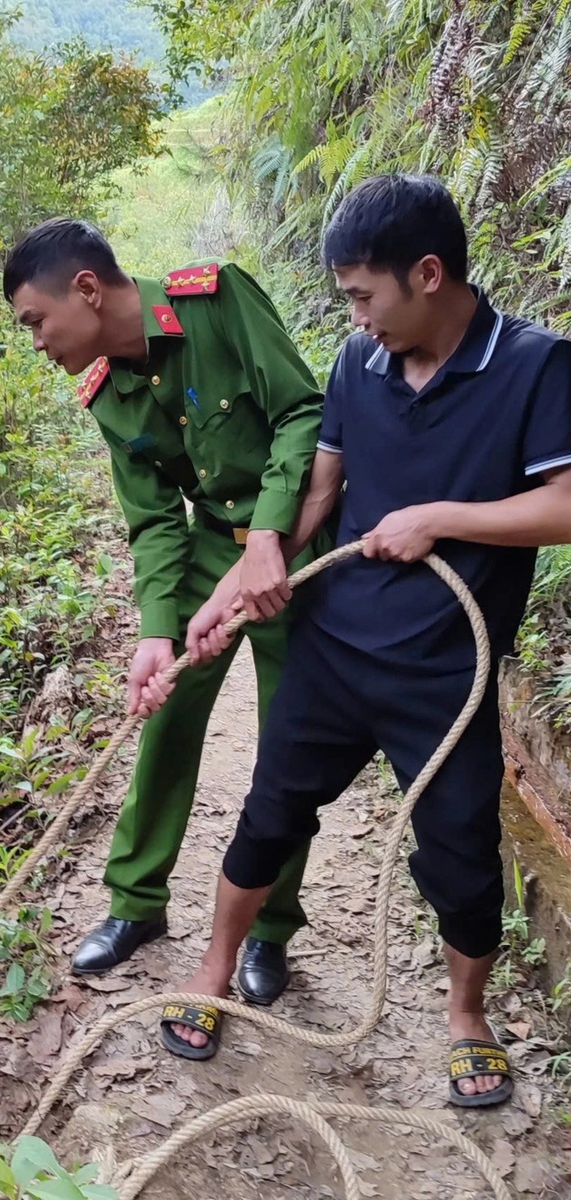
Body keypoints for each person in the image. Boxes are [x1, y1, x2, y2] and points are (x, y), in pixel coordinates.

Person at [158, 174, 571, 1108]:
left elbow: (564, 503)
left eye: (362, 295)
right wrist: (244, 576)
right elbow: (320, 492)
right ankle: (215, 970)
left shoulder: (537, 368)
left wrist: (437, 518)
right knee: (271, 811)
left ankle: (467, 1018)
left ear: (428, 273)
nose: (356, 315)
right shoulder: (357, 364)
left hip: (446, 672)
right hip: (336, 649)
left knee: (460, 854)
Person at [3, 219, 325, 1003]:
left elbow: (302, 413)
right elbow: (153, 519)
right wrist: (156, 631)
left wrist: (272, 536)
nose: (37, 342)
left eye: (36, 321)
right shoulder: (106, 392)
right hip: (216, 547)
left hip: (301, 545)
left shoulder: (215, 301)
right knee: (165, 710)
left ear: (86, 289)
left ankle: (272, 928)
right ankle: (137, 904)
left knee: (291, 745)